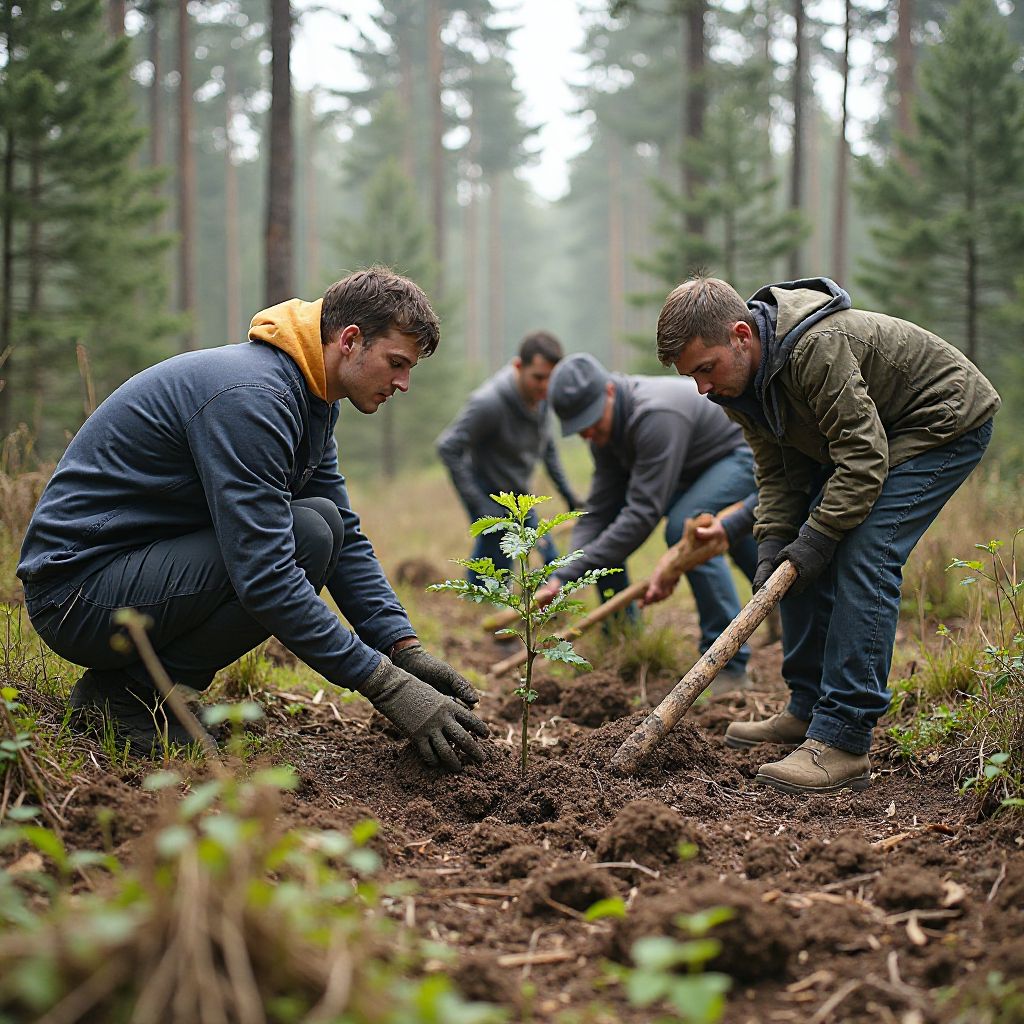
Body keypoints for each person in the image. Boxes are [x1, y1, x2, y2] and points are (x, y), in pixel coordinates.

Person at [18, 266, 489, 771]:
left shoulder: (310, 399)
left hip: (129, 572)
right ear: (350, 340)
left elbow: (346, 537)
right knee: (307, 535)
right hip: (76, 593)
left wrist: (402, 647)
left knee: (323, 525)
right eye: (396, 363)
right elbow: (266, 577)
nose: (403, 383)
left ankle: (140, 691)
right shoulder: (253, 398)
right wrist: (388, 687)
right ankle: (128, 700)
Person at [657, 275, 1000, 795]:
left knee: (865, 548)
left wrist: (818, 539)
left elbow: (862, 460)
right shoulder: (739, 385)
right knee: (795, 548)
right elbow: (778, 475)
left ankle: (843, 738)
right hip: (876, 437)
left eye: (705, 368)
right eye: (692, 377)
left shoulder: (816, 348)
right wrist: (773, 545)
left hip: (939, 419)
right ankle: (807, 707)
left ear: (742, 336)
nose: (702, 388)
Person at [538, 352, 759, 685]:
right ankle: (623, 638)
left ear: (609, 391)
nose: (588, 434)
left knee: (687, 527)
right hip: (693, 471)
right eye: (580, 428)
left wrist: (573, 569)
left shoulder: (655, 416)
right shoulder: (605, 433)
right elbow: (598, 512)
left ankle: (728, 662)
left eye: (592, 421)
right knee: (614, 533)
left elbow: (642, 514)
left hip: (738, 454)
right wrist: (563, 573)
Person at [436, 331, 580, 579]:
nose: (546, 386)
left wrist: (568, 493)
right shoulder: (488, 403)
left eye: (552, 378)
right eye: (538, 377)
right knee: (495, 567)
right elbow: (448, 447)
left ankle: (544, 600)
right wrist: (480, 504)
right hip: (487, 491)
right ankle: (479, 599)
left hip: (519, 496)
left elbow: (548, 448)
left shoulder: (542, 398)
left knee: (548, 560)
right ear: (518, 366)